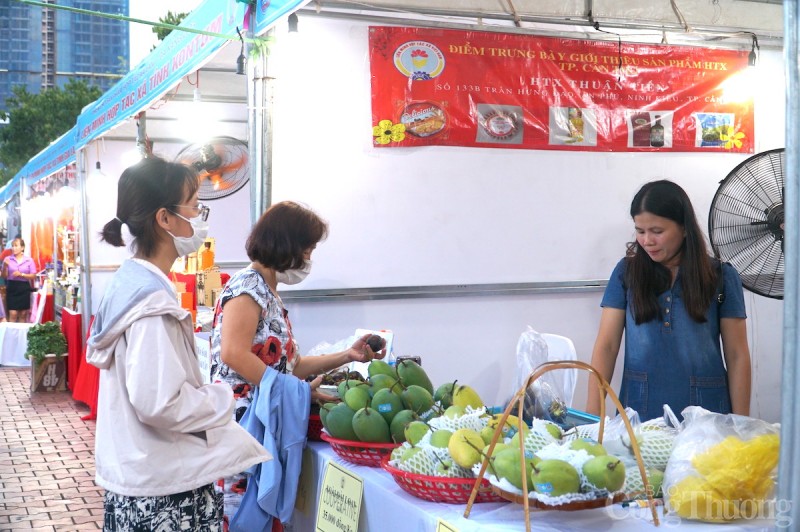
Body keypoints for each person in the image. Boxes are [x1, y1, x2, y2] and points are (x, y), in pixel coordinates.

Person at [86, 157, 271, 531]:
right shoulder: (151, 303)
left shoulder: (133, 283)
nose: (200, 216)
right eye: (193, 206)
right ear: (165, 219)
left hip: (143, 477)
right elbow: (160, 401)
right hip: (163, 490)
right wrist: (221, 397)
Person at [210, 201, 385, 527]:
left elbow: (290, 365)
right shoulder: (247, 289)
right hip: (242, 427)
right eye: (308, 249)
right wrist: (294, 389)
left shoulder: (268, 292)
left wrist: (348, 355)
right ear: (287, 245)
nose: (308, 259)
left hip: (262, 425)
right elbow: (233, 353)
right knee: (239, 515)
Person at [586, 180, 751, 422]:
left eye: (657, 231)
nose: (647, 241)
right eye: (640, 231)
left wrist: (741, 424)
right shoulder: (626, 273)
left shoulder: (721, 276)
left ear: (684, 228)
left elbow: (737, 355)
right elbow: (607, 346)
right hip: (640, 414)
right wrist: (592, 417)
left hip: (707, 417)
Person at [2, 238, 37, 322]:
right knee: (13, 313)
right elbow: (4, 276)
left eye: (16, 246)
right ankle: (11, 334)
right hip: (12, 287)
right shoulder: (7, 259)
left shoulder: (29, 260)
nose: (14, 248)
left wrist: (21, 274)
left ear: (22, 247)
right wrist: (5, 267)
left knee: (23, 314)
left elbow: (33, 276)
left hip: (24, 287)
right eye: (13, 246)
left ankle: (22, 335)